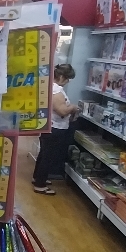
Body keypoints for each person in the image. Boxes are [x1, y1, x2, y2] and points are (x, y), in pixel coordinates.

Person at [32, 63, 79, 195]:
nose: (68, 82)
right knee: (48, 156)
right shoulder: (57, 91)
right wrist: (73, 107)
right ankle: (40, 185)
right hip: (55, 127)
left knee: (44, 154)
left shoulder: (50, 87)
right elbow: (61, 111)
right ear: (62, 77)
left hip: (48, 125)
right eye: (68, 79)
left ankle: (38, 178)